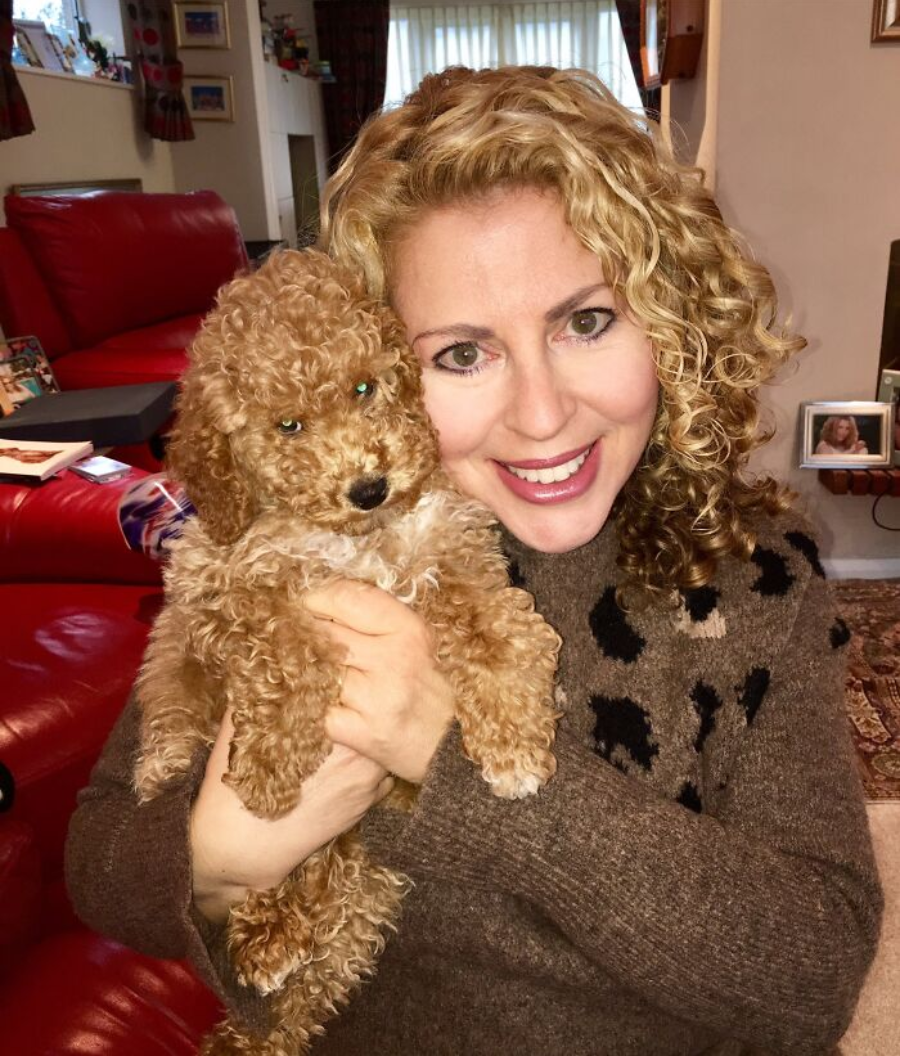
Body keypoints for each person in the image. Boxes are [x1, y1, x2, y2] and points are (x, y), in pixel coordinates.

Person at [66, 66, 882, 1056]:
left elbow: (816, 969)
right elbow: (99, 855)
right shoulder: (301, 553)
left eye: (586, 321)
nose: (542, 417)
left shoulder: (755, 578)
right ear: (376, 366)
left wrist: (451, 757)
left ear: (669, 322)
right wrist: (214, 856)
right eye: (461, 353)